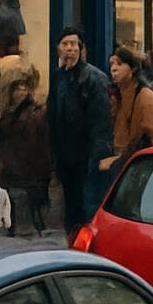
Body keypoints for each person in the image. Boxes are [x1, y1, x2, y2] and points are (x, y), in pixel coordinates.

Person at [48, 27, 114, 237]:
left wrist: (97, 159)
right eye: (65, 44)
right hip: (65, 156)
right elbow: (53, 114)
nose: (70, 49)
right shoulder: (58, 76)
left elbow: (101, 123)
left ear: (81, 49)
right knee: (71, 209)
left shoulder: (94, 78)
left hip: (87, 157)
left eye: (74, 44)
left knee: (87, 209)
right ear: (58, 49)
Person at [0, 64, 52, 236]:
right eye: (17, 87)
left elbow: (31, 151)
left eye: (23, 87)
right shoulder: (14, 114)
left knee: (21, 230)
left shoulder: (30, 116)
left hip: (22, 179)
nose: (21, 91)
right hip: (16, 178)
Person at [107, 48, 153, 181]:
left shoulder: (147, 99)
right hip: (120, 162)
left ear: (133, 69)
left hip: (140, 169)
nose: (113, 68)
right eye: (111, 64)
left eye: (119, 64)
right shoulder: (115, 96)